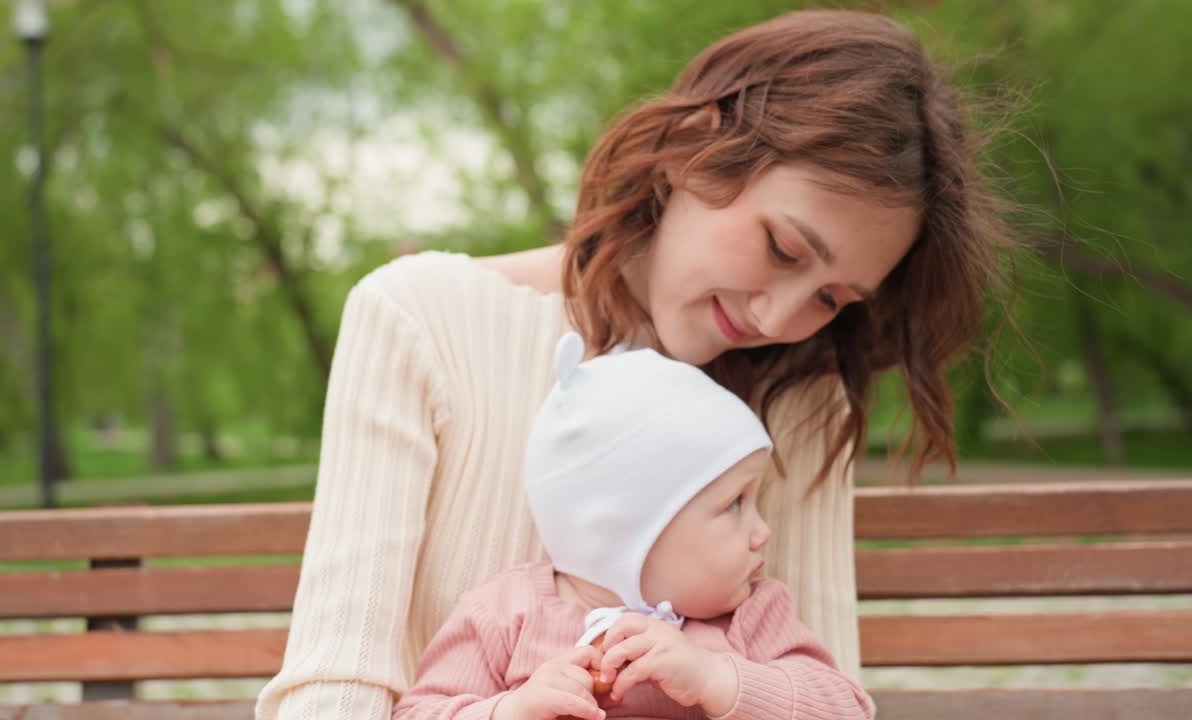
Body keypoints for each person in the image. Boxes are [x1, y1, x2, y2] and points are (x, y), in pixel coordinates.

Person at [257, 8, 1008, 719]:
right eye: (782, 248)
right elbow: (338, 680)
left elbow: (824, 690)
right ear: (696, 152)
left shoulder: (801, 396)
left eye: (832, 298)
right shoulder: (418, 319)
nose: (777, 319)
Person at [391, 333, 875, 720]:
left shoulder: (754, 616)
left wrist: (716, 679)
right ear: (628, 529)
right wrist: (510, 710)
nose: (762, 531)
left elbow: (846, 709)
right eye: (735, 505)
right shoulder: (504, 614)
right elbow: (417, 713)